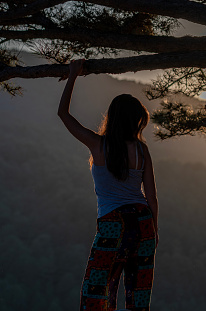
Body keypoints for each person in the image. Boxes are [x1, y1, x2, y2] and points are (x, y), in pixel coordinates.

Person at [58, 59, 159, 311]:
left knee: (96, 294)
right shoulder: (142, 150)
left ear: (112, 118)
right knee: (139, 298)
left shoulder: (97, 144)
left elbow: (63, 114)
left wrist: (73, 75)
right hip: (144, 222)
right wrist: (154, 230)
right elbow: (152, 197)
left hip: (114, 223)